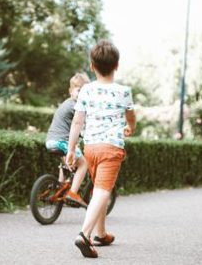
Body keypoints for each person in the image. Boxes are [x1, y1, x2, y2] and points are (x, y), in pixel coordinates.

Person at [66, 39, 136, 258]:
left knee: (99, 190)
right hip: (111, 148)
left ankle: (101, 233)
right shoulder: (123, 91)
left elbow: (77, 122)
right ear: (117, 65)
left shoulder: (85, 90)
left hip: (91, 148)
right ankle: (84, 234)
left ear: (92, 66)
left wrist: (71, 149)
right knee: (102, 191)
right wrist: (130, 127)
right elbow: (131, 116)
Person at [45, 73, 91, 207]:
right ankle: (73, 193)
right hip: (61, 141)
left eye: (85, 91)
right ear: (71, 91)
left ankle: (60, 186)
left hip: (51, 140)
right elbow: (84, 123)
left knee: (66, 162)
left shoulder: (66, 103)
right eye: (79, 90)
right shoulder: (75, 106)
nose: (82, 94)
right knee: (83, 164)